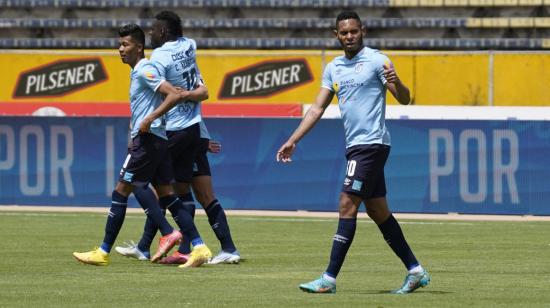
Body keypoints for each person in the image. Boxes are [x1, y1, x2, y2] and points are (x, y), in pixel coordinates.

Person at [276, 11, 430, 294]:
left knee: (347, 204)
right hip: (355, 145)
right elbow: (317, 108)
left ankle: (328, 279)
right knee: (377, 210)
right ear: (336, 35)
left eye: (354, 31)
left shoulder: (377, 60)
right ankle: (416, 270)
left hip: (372, 144)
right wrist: (293, 139)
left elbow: (405, 99)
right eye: (344, 33)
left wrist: (399, 82)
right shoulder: (333, 67)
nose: (349, 36)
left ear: (363, 31)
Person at [72, 24, 191, 266]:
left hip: (149, 139)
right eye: (119, 45)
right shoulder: (138, 71)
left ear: (139, 46)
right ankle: (197, 245)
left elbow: (173, 94)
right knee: (167, 195)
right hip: (154, 139)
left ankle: (109, 250)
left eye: (125, 44)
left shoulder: (144, 69)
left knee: (123, 189)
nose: (120, 49)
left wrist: (149, 119)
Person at [134, 11, 221, 268]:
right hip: (193, 128)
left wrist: (150, 117)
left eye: (153, 29)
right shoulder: (189, 45)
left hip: (172, 128)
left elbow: (167, 92)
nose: (150, 33)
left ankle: (170, 238)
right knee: (180, 190)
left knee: (143, 182)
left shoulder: (158, 57)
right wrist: (190, 93)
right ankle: (188, 248)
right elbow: (201, 89)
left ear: (162, 32)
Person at [115, 121, 241, 265]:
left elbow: (172, 102)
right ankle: (206, 249)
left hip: (176, 133)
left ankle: (154, 245)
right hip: (194, 135)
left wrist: (142, 127)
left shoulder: (164, 100)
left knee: (147, 184)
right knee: (191, 192)